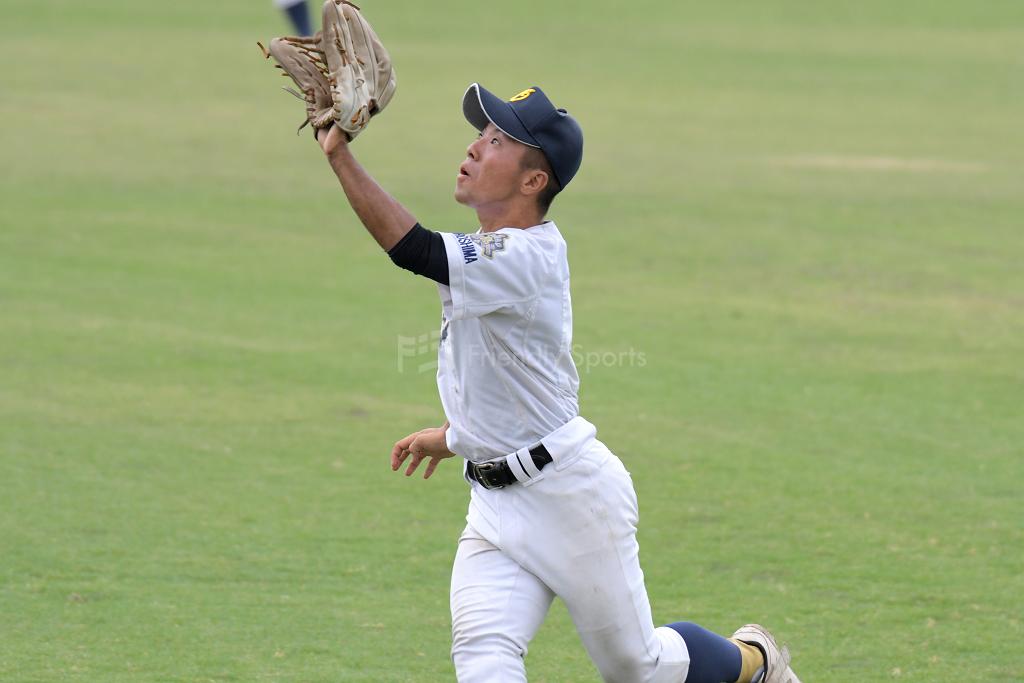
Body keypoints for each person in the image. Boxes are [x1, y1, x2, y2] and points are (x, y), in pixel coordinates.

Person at [313, 83, 801, 683]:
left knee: (637, 668)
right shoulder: (492, 254)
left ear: (532, 182)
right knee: (484, 656)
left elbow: (414, 249)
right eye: (480, 134)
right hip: (494, 505)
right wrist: (455, 436)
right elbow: (501, 374)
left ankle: (755, 662)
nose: (473, 147)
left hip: (571, 497)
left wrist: (340, 155)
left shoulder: (528, 256)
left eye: (495, 141)